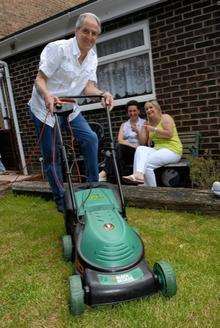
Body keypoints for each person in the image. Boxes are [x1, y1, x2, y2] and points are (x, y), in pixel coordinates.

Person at [28, 13, 113, 212]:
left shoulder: (92, 57)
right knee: (52, 155)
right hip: (45, 108)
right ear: (77, 31)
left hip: (70, 108)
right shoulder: (58, 49)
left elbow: (88, 87)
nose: (90, 37)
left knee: (90, 139)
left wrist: (103, 94)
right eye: (86, 31)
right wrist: (48, 96)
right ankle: (60, 198)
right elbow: (39, 80)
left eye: (94, 33)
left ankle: (93, 187)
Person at [123, 99, 182, 186]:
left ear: (157, 108)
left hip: (172, 150)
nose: (148, 110)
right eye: (146, 109)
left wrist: (153, 129)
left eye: (151, 107)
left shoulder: (165, 117)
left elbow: (169, 134)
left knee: (147, 164)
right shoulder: (148, 123)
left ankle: (153, 193)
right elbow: (143, 142)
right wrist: (138, 131)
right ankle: (138, 176)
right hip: (158, 150)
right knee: (140, 148)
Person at [99, 100, 147, 182]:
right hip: (125, 150)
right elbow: (120, 140)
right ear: (127, 113)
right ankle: (119, 179)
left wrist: (137, 131)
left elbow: (143, 142)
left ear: (138, 111)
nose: (132, 113)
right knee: (117, 150)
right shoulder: (124, 125)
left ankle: (104, 173)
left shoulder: (144, 123)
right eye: (130, 111)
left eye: (134, 110)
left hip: (138, 152)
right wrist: (131, 145)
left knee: (117, 150)